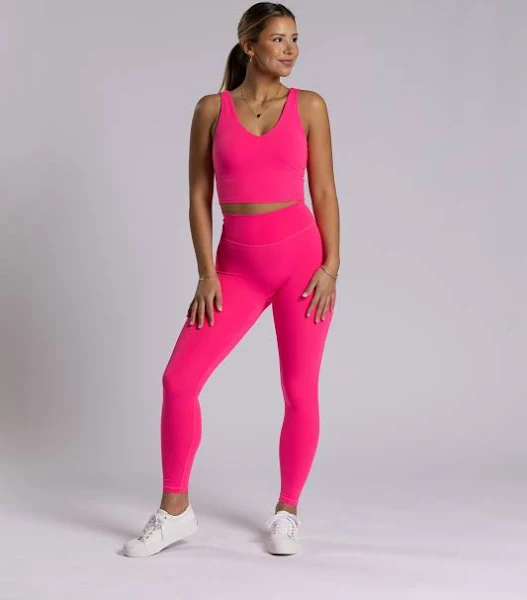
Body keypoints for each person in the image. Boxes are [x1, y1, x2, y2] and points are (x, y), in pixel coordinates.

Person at [122, 1, 340, 558]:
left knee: (299, 390)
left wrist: (330, 268)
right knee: (179, 380)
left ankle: (287, 511)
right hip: (235, 266)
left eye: (295, 38)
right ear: (249, 45)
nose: (290, 49)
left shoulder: (310, 106)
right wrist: (205, 273)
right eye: (278, 39)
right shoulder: (210, 109)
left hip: (301, 265)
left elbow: (323, 191)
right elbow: (198, 196)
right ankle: (175, 511)